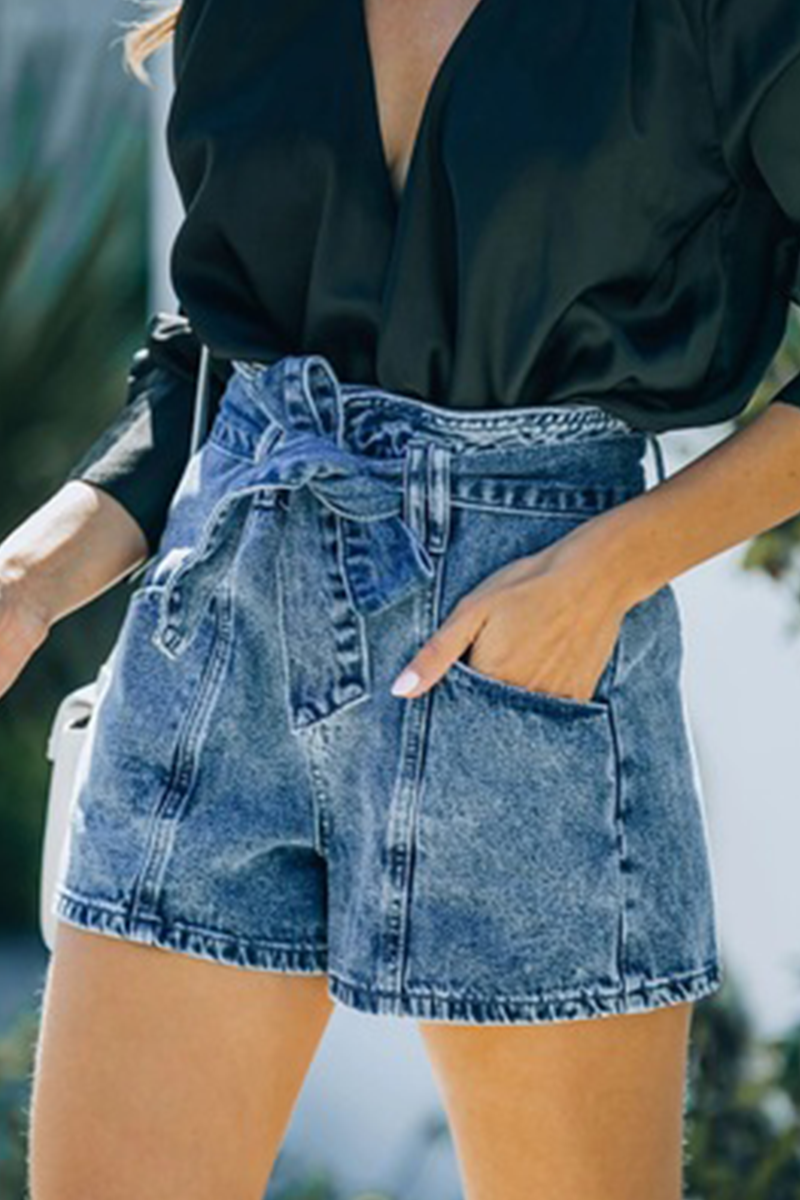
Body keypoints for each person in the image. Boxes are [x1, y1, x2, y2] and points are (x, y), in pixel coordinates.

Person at [3, 1, 800, 1196]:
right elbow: (221, 350)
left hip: (522, 667)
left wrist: (598, 575)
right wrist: (28, 579)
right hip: (222, 648)